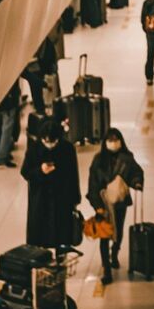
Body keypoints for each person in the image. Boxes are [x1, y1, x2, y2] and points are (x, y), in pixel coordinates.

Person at [87, 127, 145, 283]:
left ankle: (115, 253)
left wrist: (137, 183)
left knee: (118, 231)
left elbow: (136, 173)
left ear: (121, 141)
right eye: (110, 140)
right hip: (103, 204)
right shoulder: (98, 160)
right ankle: (106, 268)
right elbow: (93, 184)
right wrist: (96, 205)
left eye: (116, 140)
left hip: (119, 202)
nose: (113, 143)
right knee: (104, 235)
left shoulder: (127, 158)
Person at [21, 114, 80, 250]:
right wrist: (40, 171)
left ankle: (61, 261)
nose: (49, 145)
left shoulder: (67, 149)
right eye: (46, 141)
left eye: (52, 142)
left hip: (62, 197)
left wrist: (75, 198)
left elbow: (73, 175)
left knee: (62, 234)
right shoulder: (34, 149)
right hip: (40, 198)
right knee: (39, 234)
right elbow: (25, 172)